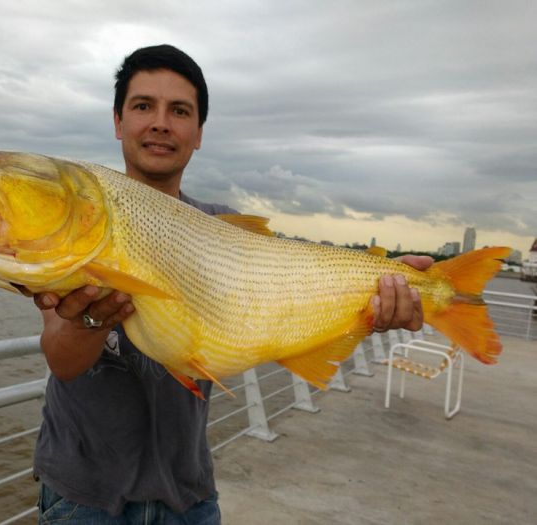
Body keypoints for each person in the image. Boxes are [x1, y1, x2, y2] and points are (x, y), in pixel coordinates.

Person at [32, 44, 431, 525]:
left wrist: (382, 291)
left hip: (189, 495)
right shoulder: (81, 218)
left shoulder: (225, 227)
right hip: (83, 497)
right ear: (118, 121)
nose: (160, 123)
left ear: (199, 133)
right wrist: (93, 318)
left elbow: (297, 287)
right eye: (143, 106)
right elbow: (63, 361)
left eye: (180, 111)